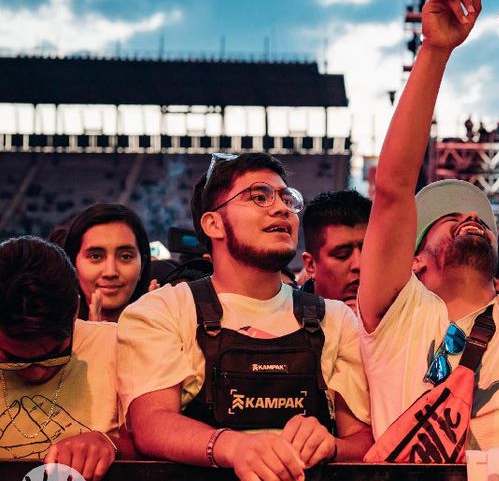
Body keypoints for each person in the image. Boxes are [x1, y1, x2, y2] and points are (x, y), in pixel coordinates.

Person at [358, 0, 499, 455]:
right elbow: (392, 189)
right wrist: (434, 50)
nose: (472, 218)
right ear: (414, 258)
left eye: (479, 219)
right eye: (449, 218)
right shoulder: (394, 314)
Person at [117, 153, 372, 481]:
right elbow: (151, 424)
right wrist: (236, 447)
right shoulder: (162, 311)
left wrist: (331, 446)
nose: (281, 208)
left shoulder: (335, 319)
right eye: (259, 197)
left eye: (286, 198)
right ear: (213, 224)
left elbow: (362, 441)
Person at [0, 236, 130, 480]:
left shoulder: (119, 346)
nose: (37, 372)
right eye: (13, 359)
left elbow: (157, 443)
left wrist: (110, 445)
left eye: (54, 355)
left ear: (75, 311)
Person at [62, 203, 154, 322]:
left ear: (142, 266)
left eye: (125, 256)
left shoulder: (168, 327)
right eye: (95, 256)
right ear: (73, 265)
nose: (110, 272)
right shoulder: (51, 330)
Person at [301, 190, 372, 313]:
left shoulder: (401, 316)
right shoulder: (285, 320)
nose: (358, 264)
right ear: (311, 265)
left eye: (368, 252)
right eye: (342, 255)